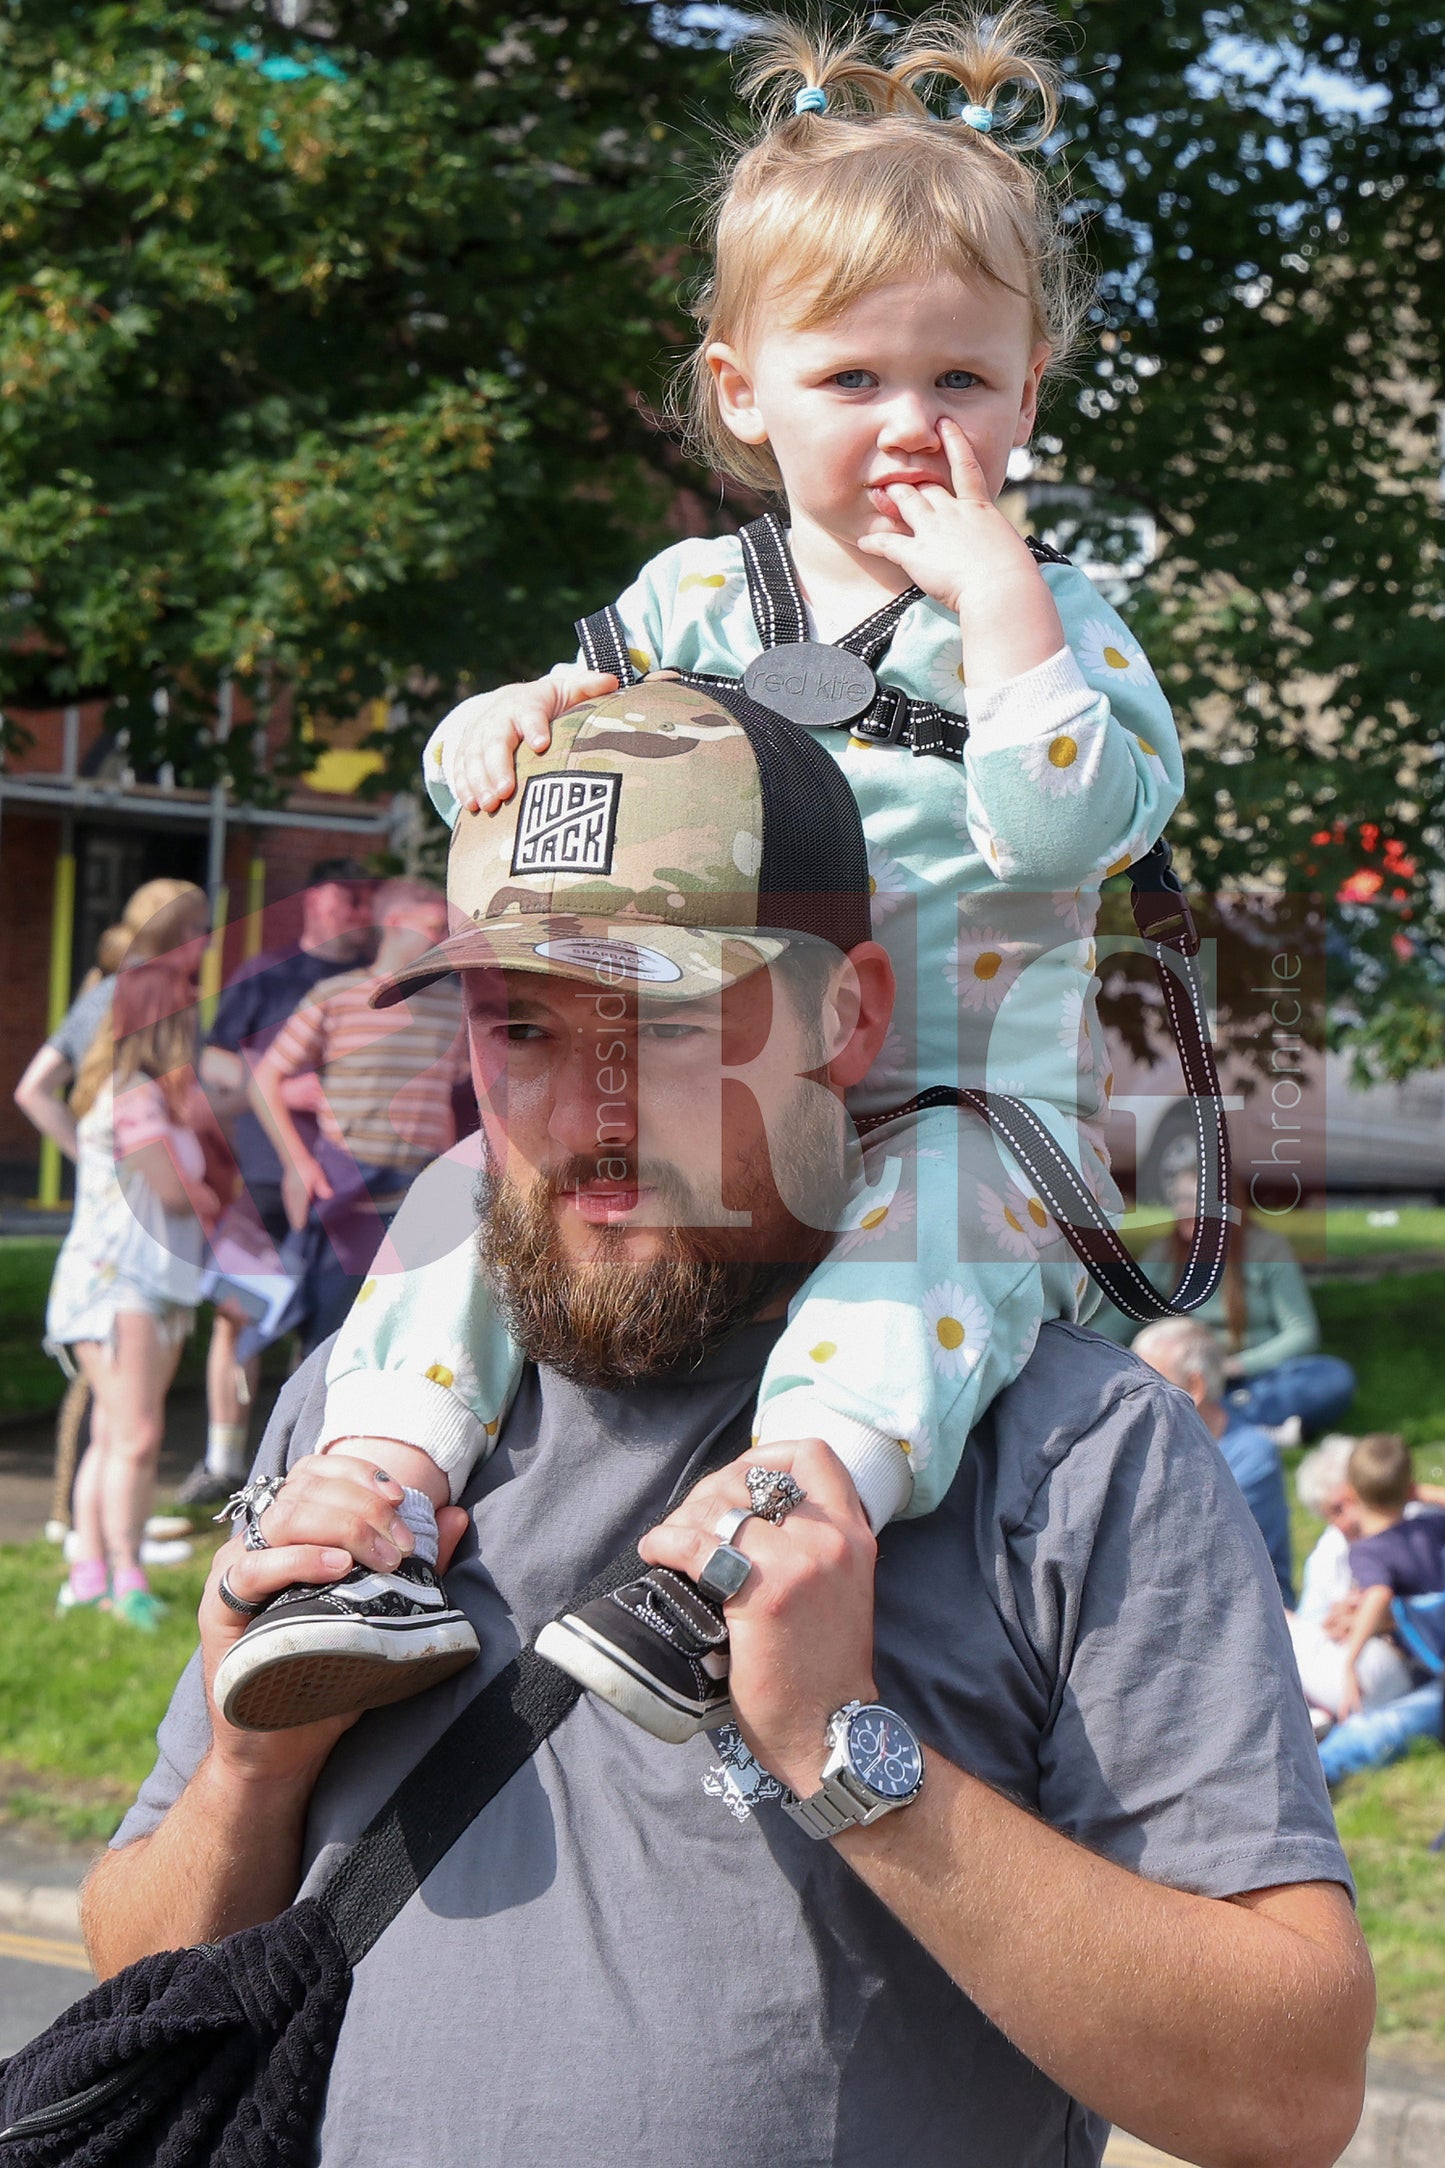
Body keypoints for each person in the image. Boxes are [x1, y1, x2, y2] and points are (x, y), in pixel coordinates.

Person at [83, 669, 1370, 2168]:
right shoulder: (369, 1414)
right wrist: (254, 1758)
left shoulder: (1074, 1454)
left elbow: (1289, 2094)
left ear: (850, 1017)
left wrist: (844, 1750)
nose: (584, 1117)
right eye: (525, 1031)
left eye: (667, 1022)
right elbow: (144, 1965)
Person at [302, 4, 1191, 1737]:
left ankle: (752, 1544)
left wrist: (1004, 620)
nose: (912, 424)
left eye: (963, 380)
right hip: (707, 1089)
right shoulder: (688, 605)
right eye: (853, 379)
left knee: (910, 1259)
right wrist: (491, 725)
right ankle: (371, 1509)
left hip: (958, 1117)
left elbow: (1078, 828)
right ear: (743, 396)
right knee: (462, 1211)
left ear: (1030, 392)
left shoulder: (1063, 622)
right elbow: (541, 769)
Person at [174, 858, 376, 1506]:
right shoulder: (265, 976)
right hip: (263, 1173)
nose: (361, 916)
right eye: (351, 902)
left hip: (347, 1180)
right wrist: (281, 1088)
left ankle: (297, 1461)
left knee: (328, 1325)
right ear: (318, 901)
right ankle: (222, 1461)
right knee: (239, 1312)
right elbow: (214, 1061)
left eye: (367, 903)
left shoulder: (371, 982)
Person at [44, 892, 218, 1627]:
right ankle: (123, 1576)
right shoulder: (137, 1099)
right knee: (138, 1434)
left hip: (150, 1283)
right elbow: (179, 1196)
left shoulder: (139, 1096)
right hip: (122, 1288)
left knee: (117, 1434)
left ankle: (87, 1569)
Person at [247, 877, 469, 1358]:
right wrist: (296, 1163)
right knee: (329, 1336)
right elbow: (264, 1080)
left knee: (410, 1338)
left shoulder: (454, 1005)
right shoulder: (336, 995)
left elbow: (447, 1101)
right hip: (347, 1187)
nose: (441, 940)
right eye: (433, 926)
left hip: (418, 1191)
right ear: (393, 924)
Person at [1101, 1149, 1354, 1444]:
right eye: (1179, 1200)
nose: (1183, 1209)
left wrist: (1234, 1367)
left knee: (1333, 1377)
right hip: (1192, 1382)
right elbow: (1118, 1320)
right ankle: (1249, 1430)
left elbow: (1302, 1332)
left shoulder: (1267, 1249)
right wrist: (1080, 1346)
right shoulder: (1165, 1254)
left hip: (1255, 1379)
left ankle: (1216, 1424)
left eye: (1194, 1202)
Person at [13, 877, 205, 1176]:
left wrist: (93, 1161)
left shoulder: (102, 993)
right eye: (198, 929)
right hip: (155, 1197)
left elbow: (32, 1090)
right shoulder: (167, 1001)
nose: (206, 942)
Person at [1132, 1316, 1295, 1608]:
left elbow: (1213, 1556)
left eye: (1149, 1383)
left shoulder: (1251, 1456)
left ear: (1195, 1387)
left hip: (1251, 1615)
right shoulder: (1145, 1449)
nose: (1132, 1399)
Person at [1287, 1436, 1416, 1723]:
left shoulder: (1412, 1523)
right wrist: (1337, 1620)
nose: (1343, 1522)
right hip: (1352, 1668)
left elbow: (1388, 1597)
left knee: (1272, 1620)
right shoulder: (1330, 1551)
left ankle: (1312, 1716)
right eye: (1332, 1514)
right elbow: (1315, 1623)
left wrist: (1369, 1620)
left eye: (1343, 1505)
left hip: (1389, 1664)